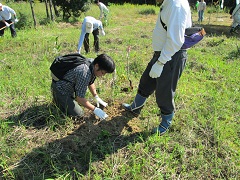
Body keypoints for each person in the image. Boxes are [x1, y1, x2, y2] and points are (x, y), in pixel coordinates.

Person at [122, 0, 192, 135]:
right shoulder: (168, 2)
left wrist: (160, 63)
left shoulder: (176, 5)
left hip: (171, 55)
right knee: (146, 81)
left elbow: (176, 41)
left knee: (164, 91)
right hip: (162, 54)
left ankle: (166, 123)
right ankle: (135, 107)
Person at [51, 53, 115, 120]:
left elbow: (90, 82)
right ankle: (57, 99)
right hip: (61, 89)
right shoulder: (84, 73)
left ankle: (63, 101)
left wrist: (96, 96)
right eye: (102, 72)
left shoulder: (92, 63)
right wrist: (95, 109)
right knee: (79, 115)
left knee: (75, 103)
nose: (103, 75)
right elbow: (80, 99)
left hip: (69, 86)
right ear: (97, 66)